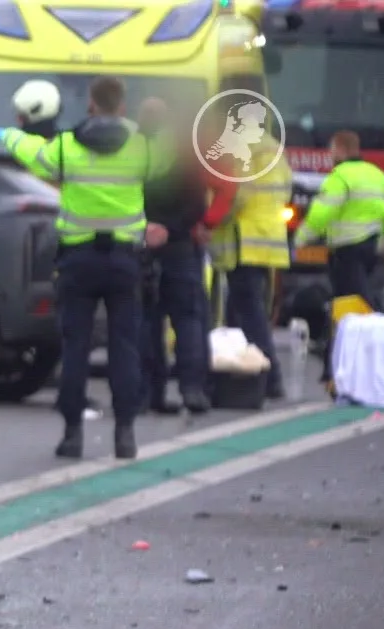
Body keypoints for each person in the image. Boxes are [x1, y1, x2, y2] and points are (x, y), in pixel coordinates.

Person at [0, 76, 160, 460]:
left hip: (78, 261)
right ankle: (125, 433)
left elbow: (32, 152)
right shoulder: (141, 148)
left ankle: (72, 434)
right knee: (125, 347)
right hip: (124, 260)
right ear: (122, 106)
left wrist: (8, 136)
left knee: (75, 348)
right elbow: (172, 159)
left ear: (91, 104)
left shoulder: (67, 146)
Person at [135, 96, 229, 414]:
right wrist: (176, 228)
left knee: (146, 322)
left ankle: (150, 392)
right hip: (180, 247)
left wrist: (147, 228)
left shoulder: (132, 154)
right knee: (188, 320)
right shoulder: (186, 155)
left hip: (141, 247)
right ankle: (193, 388)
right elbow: (197, 203)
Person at [209, 126, 292, 396]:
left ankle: (269, 378)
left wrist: (212, 220)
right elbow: (286, 190)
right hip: (267, 238)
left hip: (244, 240)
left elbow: (236, 194)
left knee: (249, 313)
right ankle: (243, 376)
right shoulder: (272, 147)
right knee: (243, 311)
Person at [294, 130, 384, 316]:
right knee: (362, 295)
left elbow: (321, 213)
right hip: (371, 248)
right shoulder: (378, 175)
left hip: (347, 249)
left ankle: (362, 330)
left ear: (341, 150)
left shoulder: (340, 177)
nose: (330, 155)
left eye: (332, 150)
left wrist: (300, 239)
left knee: (352, 300)